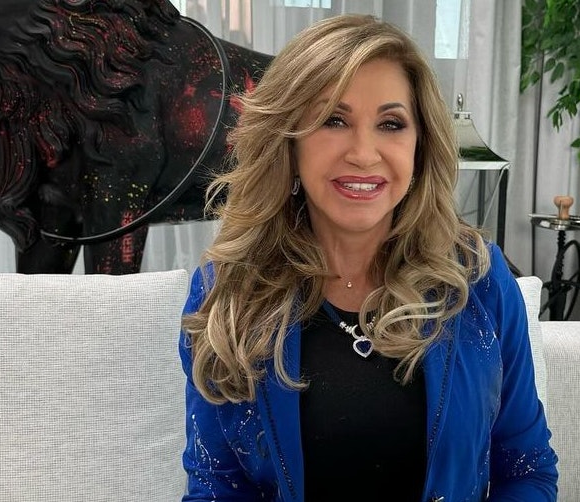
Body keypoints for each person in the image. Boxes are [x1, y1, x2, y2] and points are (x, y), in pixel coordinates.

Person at [179, 13, 558, 501]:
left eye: (391, 124)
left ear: (420, 147)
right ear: (288, 141)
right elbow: (217, 486)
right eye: (334, 120)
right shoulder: (228, 292)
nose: (364, 153)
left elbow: (527, 469)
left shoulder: (478, 279)